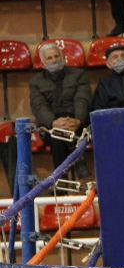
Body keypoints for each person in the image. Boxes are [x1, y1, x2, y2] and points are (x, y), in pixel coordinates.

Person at [29, 43, 91, 177]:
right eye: (49, 58)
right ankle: (77, 156)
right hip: (50, 126)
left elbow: (82, 99)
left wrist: (78, 120)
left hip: (77, 123)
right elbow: (39, 106)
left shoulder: (79, 75)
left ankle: (60, 178)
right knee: (56, 135)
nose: (54, 60)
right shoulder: (36, 81)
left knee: (58, 136)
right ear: (43, 63)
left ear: (62, 57)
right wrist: (53, 122)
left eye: (56, 56)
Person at [91, 44, 124, 111]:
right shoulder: (104, 83)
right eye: (115, 57)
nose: (120, 59)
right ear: (108, 64)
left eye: (123, 56)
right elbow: (98, 108)